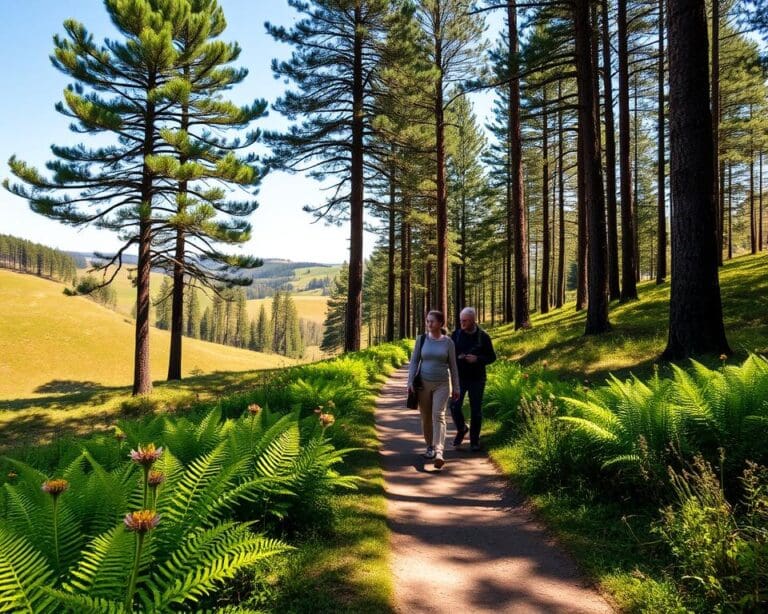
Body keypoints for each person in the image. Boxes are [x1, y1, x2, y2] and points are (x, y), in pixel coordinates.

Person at [407, 310, 460, 469]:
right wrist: (410, 382)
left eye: (432, 321)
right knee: (426, 417)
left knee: (439, 415)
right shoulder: (421, 340)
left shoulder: (448, 342)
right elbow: (414, 361)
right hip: (423, 384)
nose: (429, 324)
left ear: (440, 323)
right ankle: (429, 446)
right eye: (427, 321)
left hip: (442, 384)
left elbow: (453, 366)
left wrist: (456, 387)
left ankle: (439, 451)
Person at [450, 307, 496, 451]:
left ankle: (474, 441)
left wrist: (477, 359)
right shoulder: (455, 335)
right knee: (454, 407)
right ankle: (462, 429)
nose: (462, 323)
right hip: (460, 378)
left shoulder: (483, 336)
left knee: (476, 410)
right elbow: (449, 354)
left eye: (465, 321)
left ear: (473, 320)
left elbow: (492, 357)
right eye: (461, 320)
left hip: (477, 379)